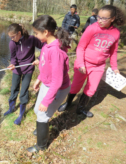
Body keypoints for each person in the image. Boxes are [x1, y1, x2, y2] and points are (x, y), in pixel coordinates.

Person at [58, 5, 126, 117]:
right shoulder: (92, 28)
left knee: (91, 89)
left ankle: (80, 108)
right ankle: (68, 103)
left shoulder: (116, 33)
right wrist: (81, 63)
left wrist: (115, 68)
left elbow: (113, 52)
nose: (99, 20)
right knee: (76, 85)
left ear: (112, 19)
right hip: (83, 63)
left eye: (104, 18)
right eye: (99, 17)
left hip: (98, 66)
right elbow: (80, 47)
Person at [26, 15, 71, 153]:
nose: (35, 35)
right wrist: (39, 78)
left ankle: (41, 146)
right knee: (36, 111)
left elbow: (57, 81)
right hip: (47, 84)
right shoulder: (46, 45)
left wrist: (46, 101)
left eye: (36, 33)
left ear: (46, 32)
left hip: (57, 88)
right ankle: (42, 128)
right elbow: (46, 65)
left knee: (42, 114)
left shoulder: (55, 51)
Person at [4, 23, 44, 125]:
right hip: (17, 69)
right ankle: (11, 108)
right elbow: (13, 57)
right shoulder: (12, 43)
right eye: (10, 37)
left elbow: (44, 47)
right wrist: (12, 64)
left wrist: (39, 59)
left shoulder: (31, 39)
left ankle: (21, 115)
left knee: (23, 92)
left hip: (28, 69)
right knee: (14, 89)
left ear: (19, 33)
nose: (12, 39)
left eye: (13, 36)